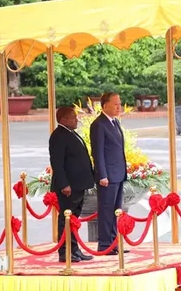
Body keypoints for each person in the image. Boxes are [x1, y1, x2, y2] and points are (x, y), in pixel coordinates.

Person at [49, 106, 94, 263]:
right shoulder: (58, 136)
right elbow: (57, 163)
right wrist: (64, 184)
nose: (77, 120)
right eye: (73, 117)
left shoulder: (71, 133)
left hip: (78, 184)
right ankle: (65, 251)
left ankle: (74, 249)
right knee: (66, 218)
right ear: (63, 120)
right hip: (68, 187)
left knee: (74, 218)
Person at [90, 92, 129, 255]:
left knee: (116, 210)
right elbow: (97, 152)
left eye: (119, 104)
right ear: (104, 105)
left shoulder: (115, 123)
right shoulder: (99, 124)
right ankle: (105, 244)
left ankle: (114, 242)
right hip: (108, 176)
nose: (119, 107)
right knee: (106, 210)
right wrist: (102, 175)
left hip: (118, 173)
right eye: (115, 104)